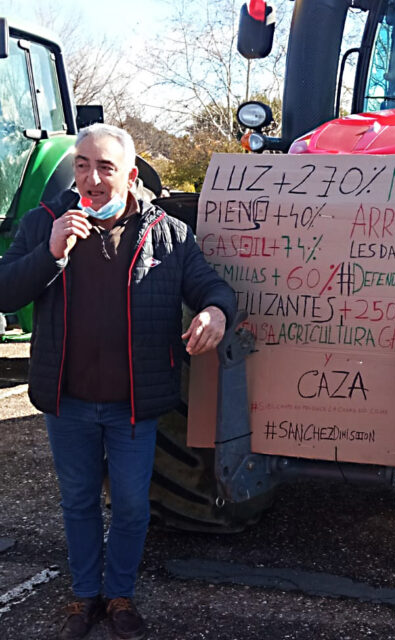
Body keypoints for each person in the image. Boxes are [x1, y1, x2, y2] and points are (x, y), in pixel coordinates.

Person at [0, 124, 236, 640]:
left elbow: (210, 285)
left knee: (131, 506)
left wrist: (216, 312)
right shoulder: (45, 223)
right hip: (69, 401)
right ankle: (85, 597)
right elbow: (5, 290)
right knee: (79, 502)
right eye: (83, 164)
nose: (91, 177)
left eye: (105, 167)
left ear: (130, 175)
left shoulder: (167, 234)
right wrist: (52, 252)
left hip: (134, 405)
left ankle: (120, 593)